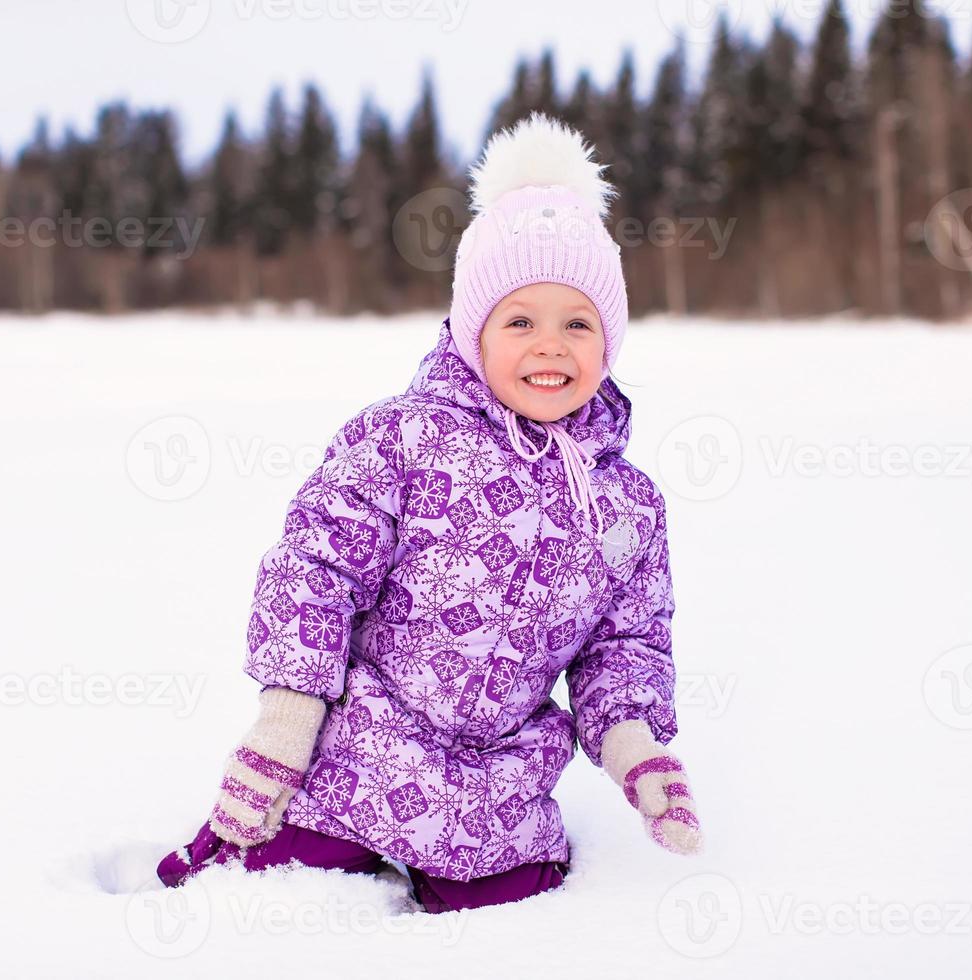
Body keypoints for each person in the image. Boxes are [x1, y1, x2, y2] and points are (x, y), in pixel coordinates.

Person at [157, 112, 702, 914]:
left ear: (608, 341)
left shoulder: (628, 503)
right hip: (351, 756)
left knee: (509, 920)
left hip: (496, 795)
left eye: (577, 323)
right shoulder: (404, 437)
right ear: (472, 331)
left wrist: (634, 749)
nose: (550, 345)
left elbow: (623, 644)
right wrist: (284, 723)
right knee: (255, 889)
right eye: (520, 321)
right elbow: (313, 570)